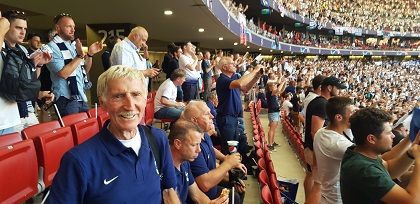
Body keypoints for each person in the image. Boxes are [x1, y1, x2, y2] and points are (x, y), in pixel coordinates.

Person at [47, 65, 180, 203]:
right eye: (118, 96)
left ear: (145, 99)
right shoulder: (78, 161)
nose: (129, 105)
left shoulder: (158, 139)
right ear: (102, 102)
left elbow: (169, 191)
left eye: (136, 95)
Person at [340, 108, 420, 204]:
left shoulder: (358, 152)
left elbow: (390, 170)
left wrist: (410, 154)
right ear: (371, 139)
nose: (393, 136)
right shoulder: (364, 170)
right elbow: (412, 201)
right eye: (389, 132)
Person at [181, 101, 246, 204]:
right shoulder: (192, 146)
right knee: (235, 197)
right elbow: (205, 184)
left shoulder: (204, 134)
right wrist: (228, 164)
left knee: (238, 181)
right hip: (207, 193)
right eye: (207, 114)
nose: (212, 116)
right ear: (194, 120)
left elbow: (211, 151)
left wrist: (231, 175)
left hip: (212, 185)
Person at [1, 10, 53, 135]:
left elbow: (27, 80)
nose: (23, 32)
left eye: (24, 28)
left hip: (15, 112)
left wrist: (37, 64)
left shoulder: (22, 50)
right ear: (7, 27)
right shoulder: (2, 47)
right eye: (18, 27)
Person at [46, 13, 103, 117]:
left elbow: (84, 71)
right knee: (71, 131)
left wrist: (90, 54)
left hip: (81, 96)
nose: (73, 30)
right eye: (69, 26)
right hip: (66, 99)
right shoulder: (52, 47)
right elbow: (63, 73)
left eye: (73, 27)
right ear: (57, 28)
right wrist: (80, 56)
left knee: (85, 130)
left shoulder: (72, 46)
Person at [304, 76, 347, 204]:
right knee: (318, 186)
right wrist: (319, 155)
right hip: (315, 150)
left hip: (313, 148)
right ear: (329, 88)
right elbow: (315, 131)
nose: (339, 91)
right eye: (338, 88)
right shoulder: (322, 104)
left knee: (314, 182)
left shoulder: (317, 101)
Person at [168, 120, 228, 204]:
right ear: (178, 144)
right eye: (194, 145)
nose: (199, 149)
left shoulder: (184, 163)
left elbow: (196, 194)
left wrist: (211, 203)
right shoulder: (164, 170)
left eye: (199, 144)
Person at [216, 56, 262, 162]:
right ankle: (227, 174)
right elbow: (240, 83)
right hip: (227, 119)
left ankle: (232, 172)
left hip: (234, 118)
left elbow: (246, 88)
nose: (235, 65)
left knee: (235, 147)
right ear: (225, 67)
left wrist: (256, 77)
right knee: (229, 150)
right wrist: (254, 71)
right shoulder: (222, 80)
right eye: (232, 64)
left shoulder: (232, 80)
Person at [313, 97, 355, 204]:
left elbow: (315, 163)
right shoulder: (339, 144)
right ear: (338, 117)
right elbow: (379, 162)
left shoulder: (320, 132)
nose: (356, 116)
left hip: (327, 194)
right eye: (352, 113)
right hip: (337, 199)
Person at [266, 76, 287, 152]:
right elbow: (278, 89)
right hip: (273, 112)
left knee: (274, 128)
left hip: (275, 112)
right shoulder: (269, 93)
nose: (275, 86)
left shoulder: (274, 93)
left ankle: (272, 142)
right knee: (272, 129)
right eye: (273, 85)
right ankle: (269, 144)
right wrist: (282, 82)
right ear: (270, 87)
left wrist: (284, 83)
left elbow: (281, 90)